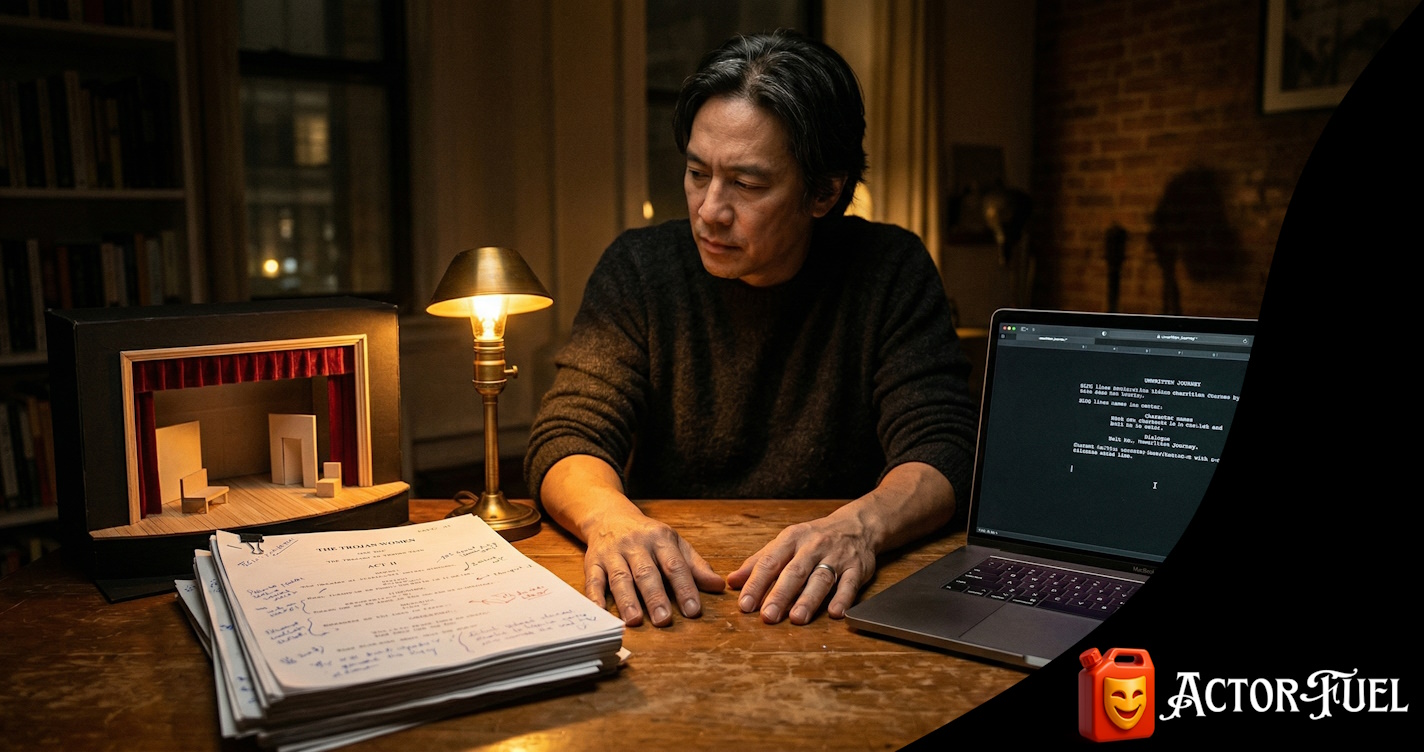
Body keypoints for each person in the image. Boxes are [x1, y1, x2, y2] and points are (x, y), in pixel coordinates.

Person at [525, 31, 977, 629]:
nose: (710, 209)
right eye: (695, 172)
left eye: (747, 183)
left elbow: (944, 447)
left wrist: (860, 527)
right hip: (675, 591)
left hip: (833, 595)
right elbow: (568, 434)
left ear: (824, 191)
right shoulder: (640, 268)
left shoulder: (889, 269)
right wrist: (610, 517)